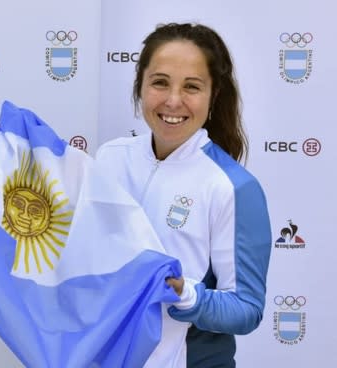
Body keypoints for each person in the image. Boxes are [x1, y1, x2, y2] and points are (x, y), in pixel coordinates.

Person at [95, 22, 272, 368]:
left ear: (213, 94)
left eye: (192, 87)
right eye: (160, 82)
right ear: (140, 85)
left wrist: (186, 295)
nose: (173, 101)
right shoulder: (109, 158)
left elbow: (247, 309)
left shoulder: (232, 187)